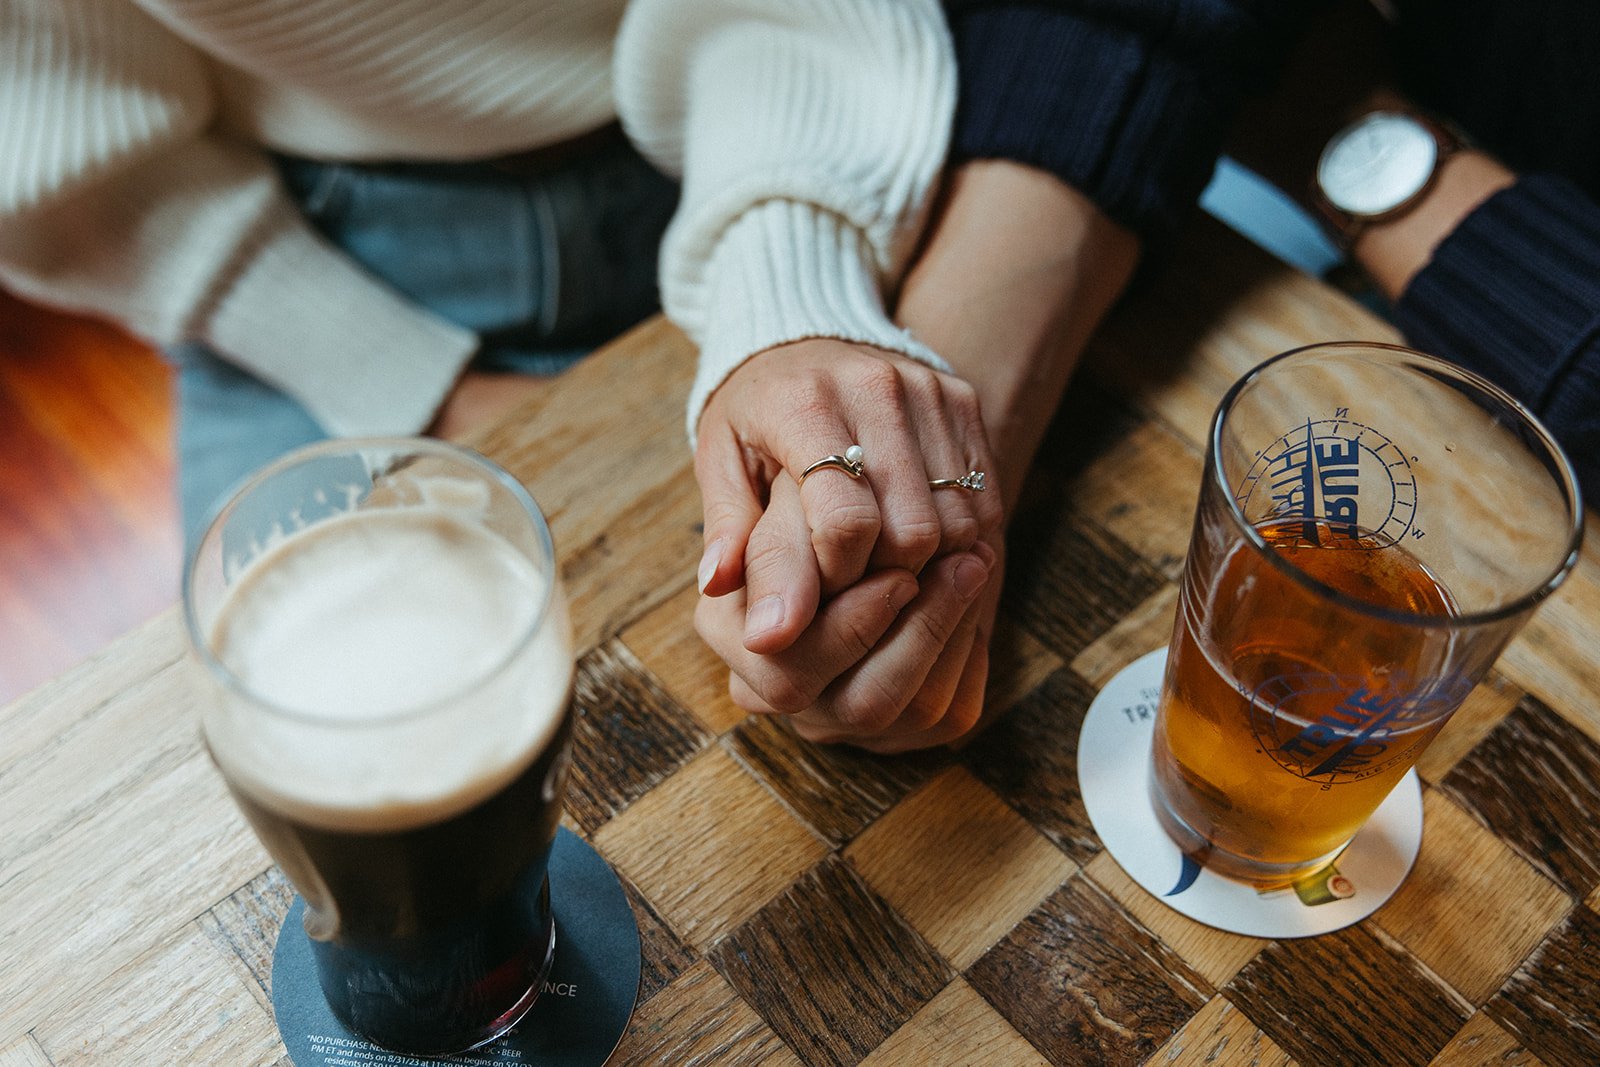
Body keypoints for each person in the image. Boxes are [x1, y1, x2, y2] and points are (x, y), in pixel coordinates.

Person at [0, 0, 966, 561]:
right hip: (293, 250)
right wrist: (405, 380)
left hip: (754, 128)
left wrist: (786, 287)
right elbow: (40, 102)